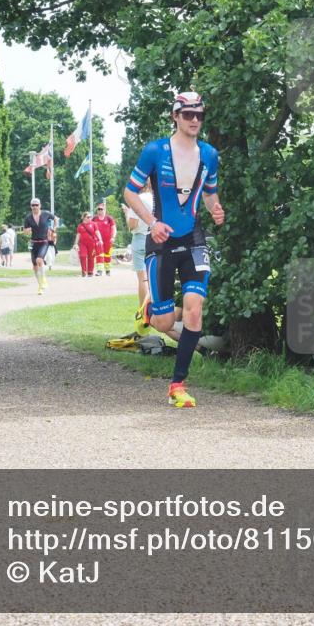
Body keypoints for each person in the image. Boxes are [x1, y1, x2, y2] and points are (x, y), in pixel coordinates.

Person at [123, 90, 224, 408]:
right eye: (188, 114)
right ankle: (150, 311)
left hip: (194, 238)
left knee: (195, 308)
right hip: (161, 242)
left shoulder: (209, 154)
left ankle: (177, 385)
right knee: (164, 324)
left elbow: (210, 195)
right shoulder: (154, 151)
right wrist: (152, 223)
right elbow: (129, 193)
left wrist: (216, 207)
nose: (195, 120)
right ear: (175, 117)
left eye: (200, 115)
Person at [22, 198, 56, 295]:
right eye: (33, 205)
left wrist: (54, 229)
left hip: (43, 242)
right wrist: (26, 231)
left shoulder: (45, 214)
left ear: (40, 205)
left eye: (36, 205)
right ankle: (40, 286)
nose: (35, 207)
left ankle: (44, 279)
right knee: (35, 266)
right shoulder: (28, 218)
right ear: (30, 206)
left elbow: (55, 219)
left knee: (39, 260)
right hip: (34, 243)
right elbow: (25, 230)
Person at [91, 202, 117, 276]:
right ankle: (99, 270)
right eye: (98, 209)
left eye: (101, 209)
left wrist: (113, 237)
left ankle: (107, 270)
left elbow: (114, 228)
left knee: (107, 255)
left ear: (104, 210)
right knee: (99, 255)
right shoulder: (94, 219)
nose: (99, 210)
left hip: (108, 241)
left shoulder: (109, 218)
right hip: (98, 241)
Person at [75, 212, 102, 277]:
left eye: (90, 217)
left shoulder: (93, 224)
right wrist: (75, 243)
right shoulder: (80, 226)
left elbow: (97, 232)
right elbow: (78, 235)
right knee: (82, 256)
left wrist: (100, 240)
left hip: (92, 243)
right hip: (82, 243)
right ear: (84, 218)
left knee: (91, 257)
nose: (90, 218)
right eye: (88, 217)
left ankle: (90, 272)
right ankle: (84, 271)